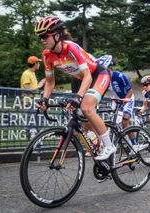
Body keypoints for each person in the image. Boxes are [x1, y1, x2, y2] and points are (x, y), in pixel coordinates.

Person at [34, 16, 116, 160]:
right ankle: (99, 148)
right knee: (81, 121)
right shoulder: (47, 55)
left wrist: (78, 97)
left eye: (45, 35)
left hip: (97, 75)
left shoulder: (70, 47)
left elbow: (88, 75)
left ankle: (109, 145)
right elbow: (49, 81)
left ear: (57, 35)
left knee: (86, 108)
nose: (42, 39)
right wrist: (45, 99)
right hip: (79, 80)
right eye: (40, 36)